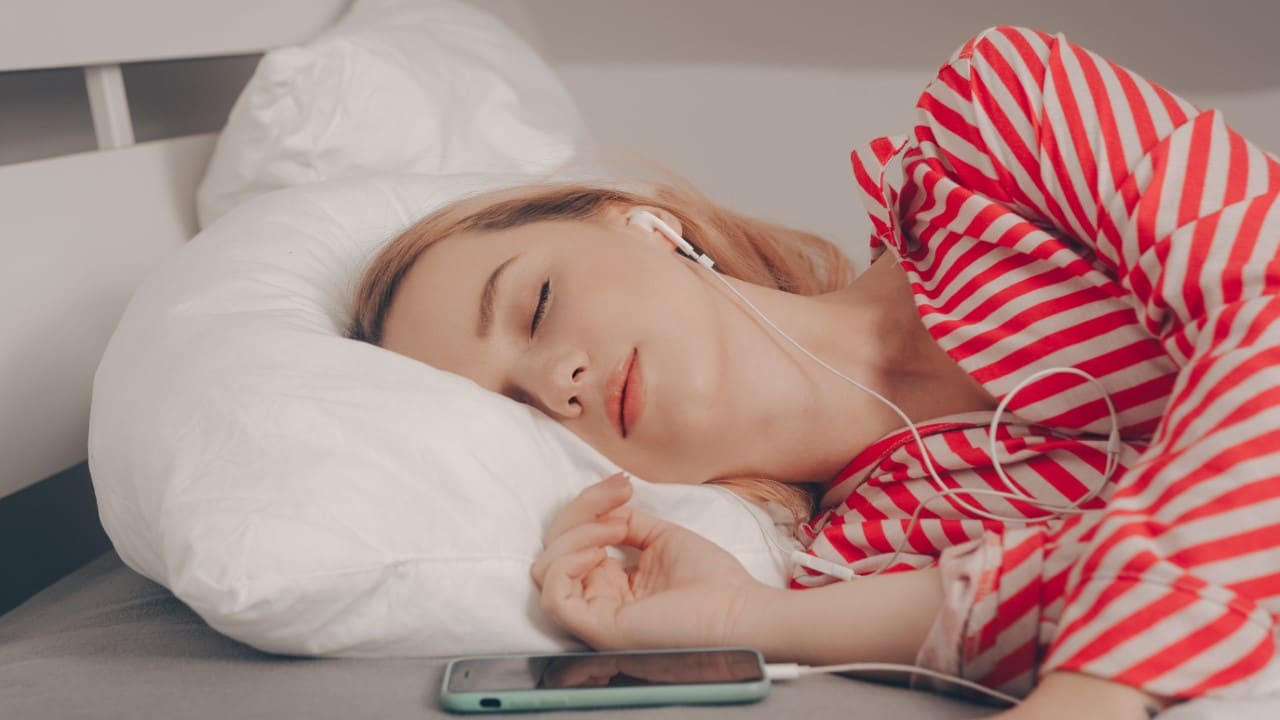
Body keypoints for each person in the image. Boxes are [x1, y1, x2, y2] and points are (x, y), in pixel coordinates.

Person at [348, 25, 1280, 720]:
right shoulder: (854, 564)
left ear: (635, 221)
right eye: (519, 407)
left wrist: (1098, 683)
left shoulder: (993, 126)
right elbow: (1031, 610)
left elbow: (1264, 303)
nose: (560, 381)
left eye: (538, 305)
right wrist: (740, 617)